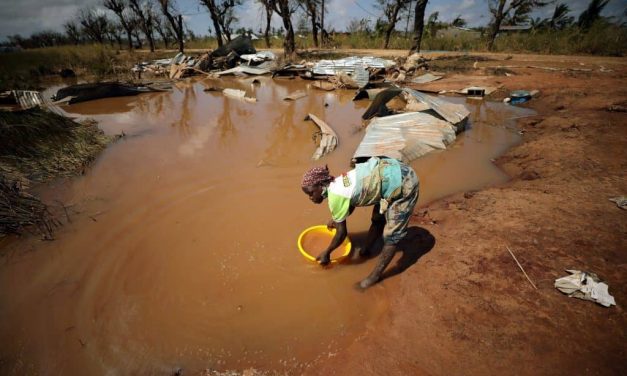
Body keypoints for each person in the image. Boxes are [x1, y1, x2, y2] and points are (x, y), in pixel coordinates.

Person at [301, 157, 419, 289]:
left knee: (391, 237)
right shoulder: (338, 181)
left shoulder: (335, 197)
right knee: (378, 219)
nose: (310, 198)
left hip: (403, 183)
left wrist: (327, 252)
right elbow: (351, 201)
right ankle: (366, 250)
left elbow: (341, 234)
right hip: (389, 171)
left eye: (311, 193)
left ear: (321, 185)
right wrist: (336, 219)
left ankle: (374, 277)